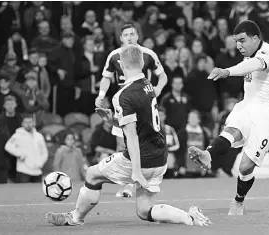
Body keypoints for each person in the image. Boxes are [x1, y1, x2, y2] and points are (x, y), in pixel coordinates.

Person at [46, 45, 211, 227]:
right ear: (142, 63)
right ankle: (189, 218)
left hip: (141, 158)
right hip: (159, 156)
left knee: (93, 174)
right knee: (144, 210)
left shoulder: (123, 95)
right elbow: (141, 123)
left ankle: (75, 217)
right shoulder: (149, 86)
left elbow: (132, 137)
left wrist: (136, 171)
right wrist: (113, 121)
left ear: (121, 66)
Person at [188, 20, 269, 215]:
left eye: (242, 40)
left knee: (245, 167)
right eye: (236, 41)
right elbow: (248, 67)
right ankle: (208, 155)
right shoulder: (247, 58)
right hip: (249, 106)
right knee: (232, 130)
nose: (238, 46)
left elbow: (254, 65)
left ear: (256, 38)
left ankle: (239, 200)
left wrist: (227, 71)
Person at [95, 23, 168, 197]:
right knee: (124, 143)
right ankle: (130, 181)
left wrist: (158, 88)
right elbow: (105, 78)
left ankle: (135, 178)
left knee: (138, 139)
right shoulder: (114, 56)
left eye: (132, 33)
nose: (129, 37)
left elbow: (162, 75)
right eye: (125, 34)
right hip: (124, 102)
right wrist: (101, 93)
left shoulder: (148, 54)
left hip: (142, 100)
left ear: (137, 36)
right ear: (121, 38)